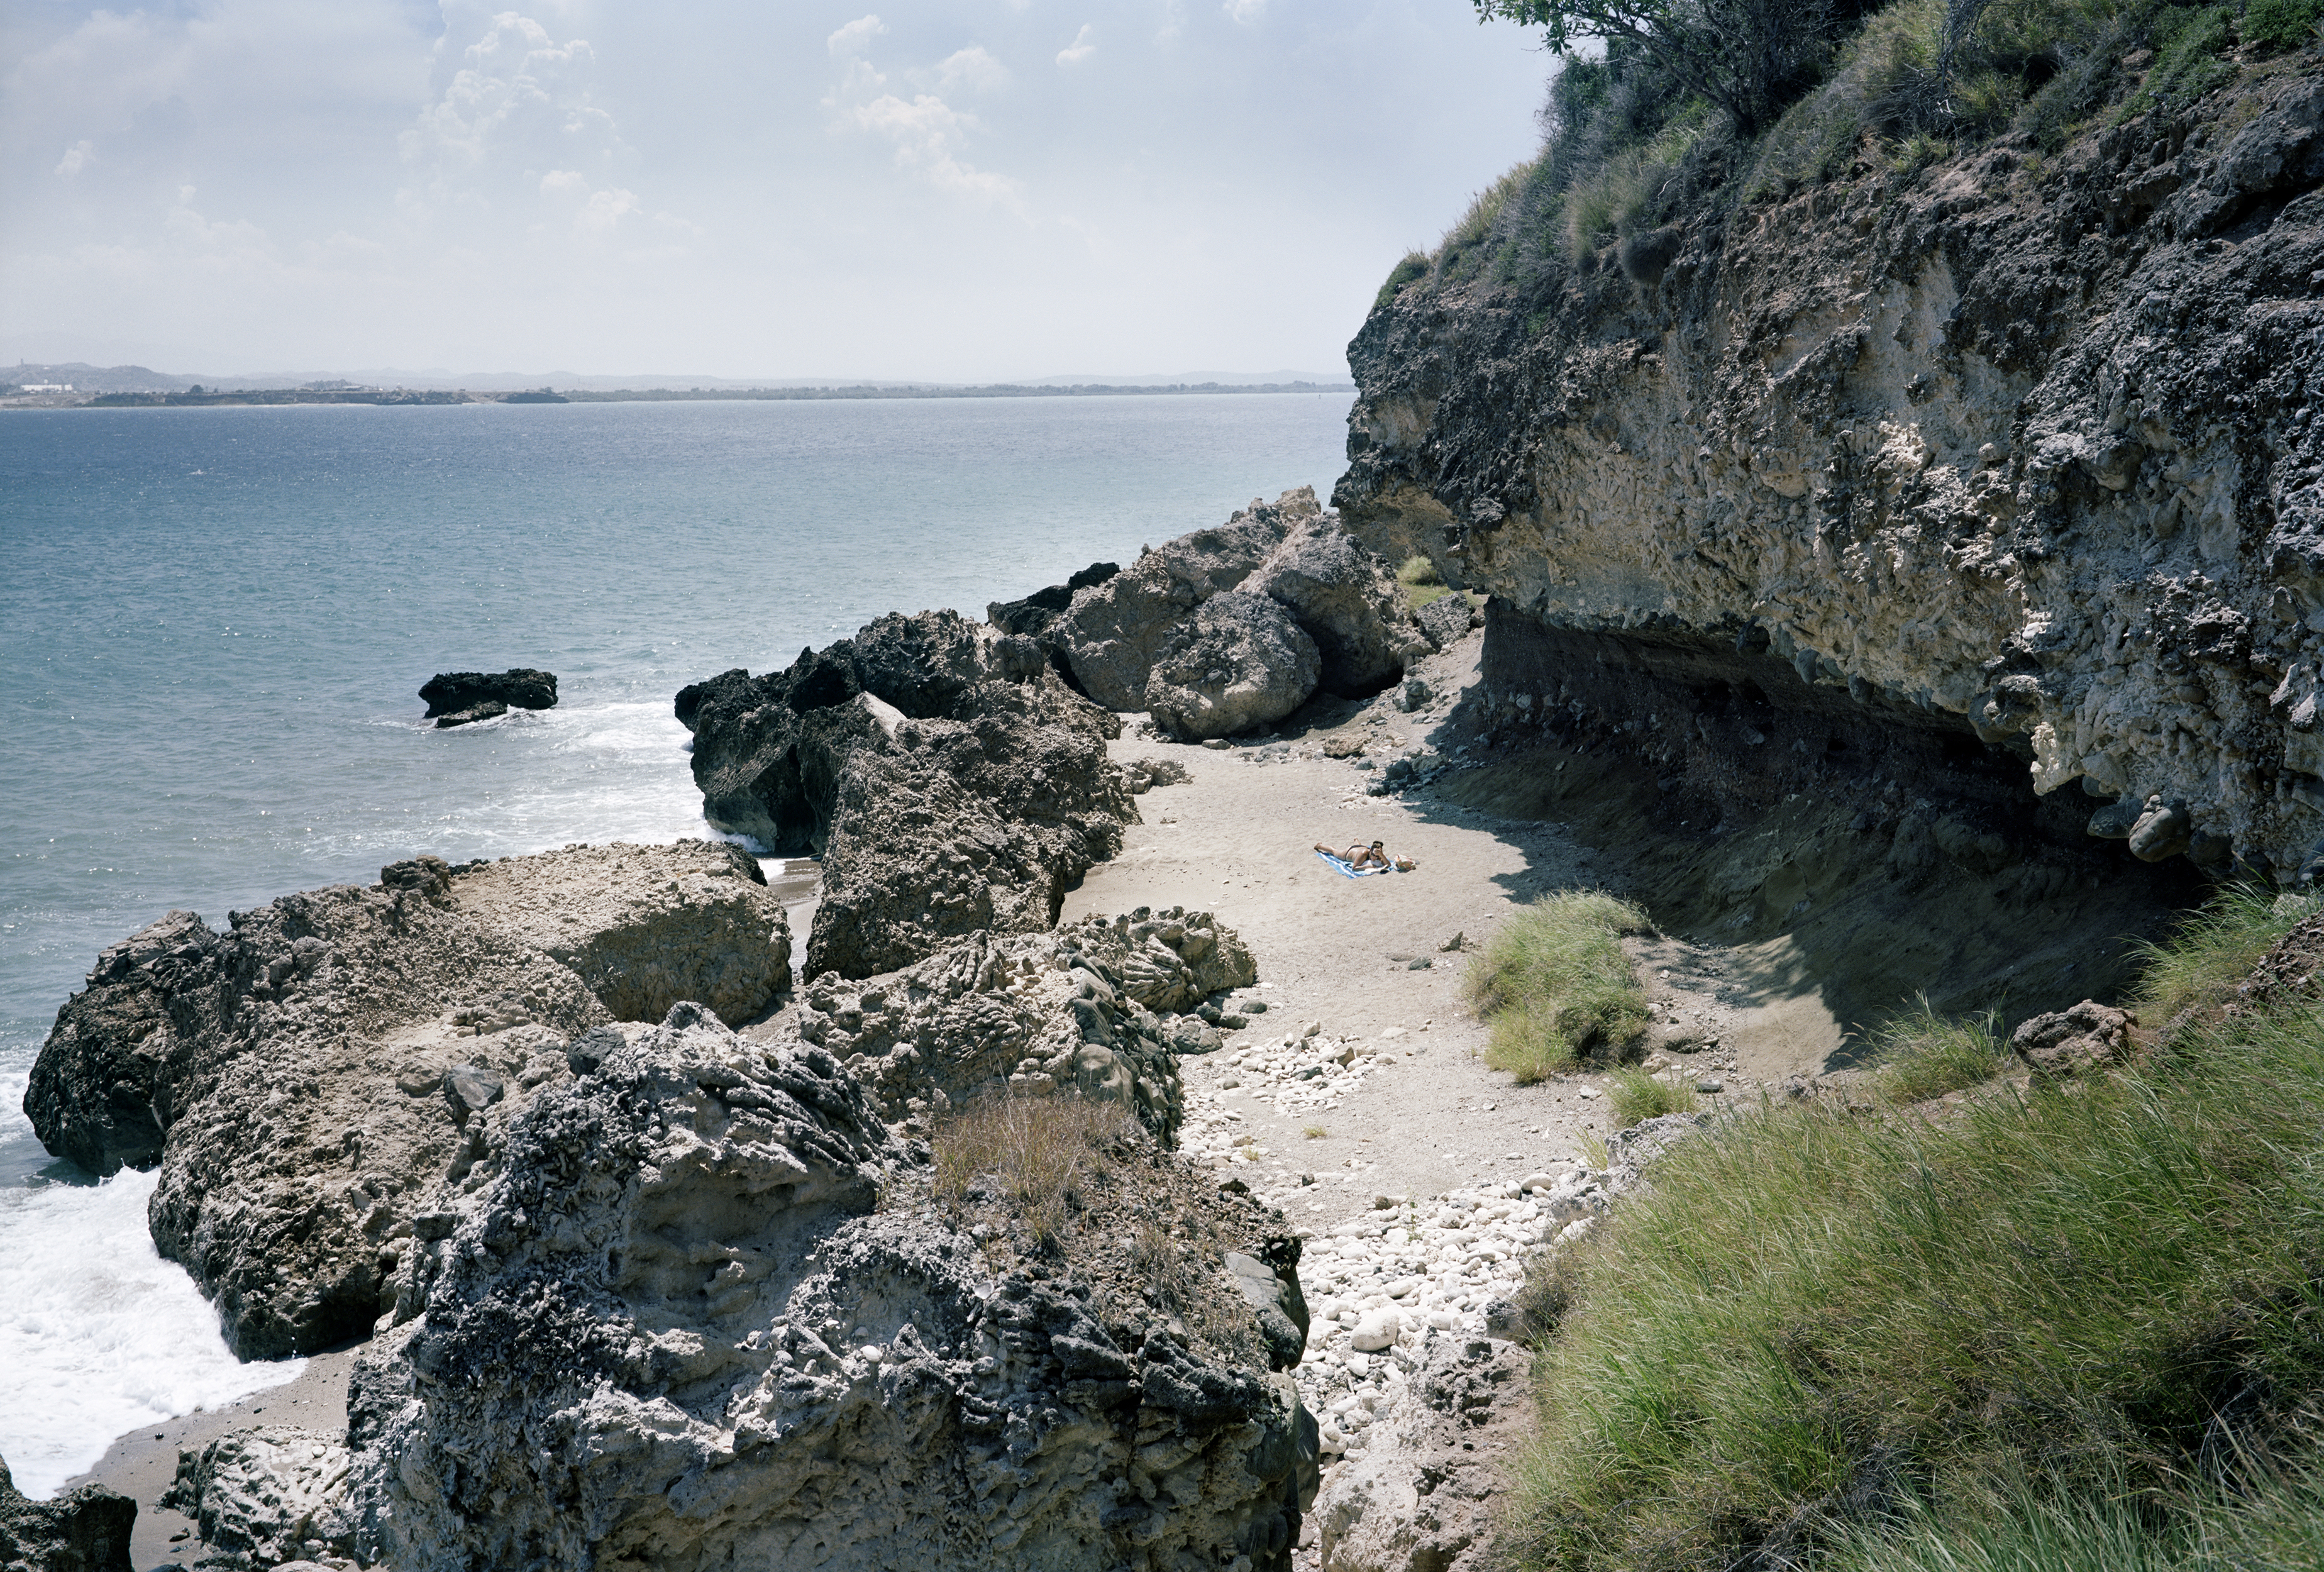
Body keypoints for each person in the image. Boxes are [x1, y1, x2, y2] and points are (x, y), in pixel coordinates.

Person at [1315, 838, 1391, 869]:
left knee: (1359, 847)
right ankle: (1320, 846)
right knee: (1334, 851)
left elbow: (1388, 865)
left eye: (1377, 857)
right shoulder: (1363, 854)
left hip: (1360, 847)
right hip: (1348, 852)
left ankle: (1356, 841)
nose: (1374, 858)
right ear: (1370, 850)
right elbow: (1354, 868)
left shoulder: (1378, 854)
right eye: (1373, 855)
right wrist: (1367, 866)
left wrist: (1382, 855)